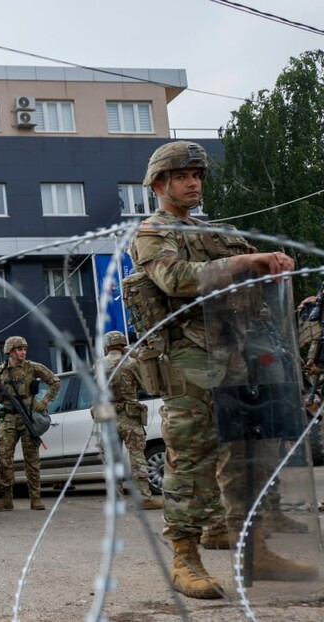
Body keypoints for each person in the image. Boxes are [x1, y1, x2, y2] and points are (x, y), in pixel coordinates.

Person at [128, 140, 316, 600]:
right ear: (159, 184)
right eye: (183, 176)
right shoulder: (153, 232)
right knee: (192, 458)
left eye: (198, 175)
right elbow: (175, 279)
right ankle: (185, 558)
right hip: (193, 363)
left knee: (252, 456)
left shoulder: (217, 232)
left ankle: (256, 550)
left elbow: (253, 272)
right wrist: (247, 262)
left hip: (243, 359)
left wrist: (272, 268)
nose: (194, 183)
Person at [0, 336, 59, 511]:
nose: (23, 352)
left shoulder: (33, 368)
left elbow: (55, 382)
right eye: (19, 349)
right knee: (4, 458)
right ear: (10, 351)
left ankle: (36, 498)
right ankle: (6, 498)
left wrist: (45, 400)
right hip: (9, 417)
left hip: (28, 416)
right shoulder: (0, 371)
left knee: (31, 459)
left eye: (24, 349)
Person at [99, 331, 162, 511]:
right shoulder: (131, 362)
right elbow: (147, 385)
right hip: (130, 417)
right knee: (137, 458)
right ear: (123, 343)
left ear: (106, 346)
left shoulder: (98, 365)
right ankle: (144, 498)